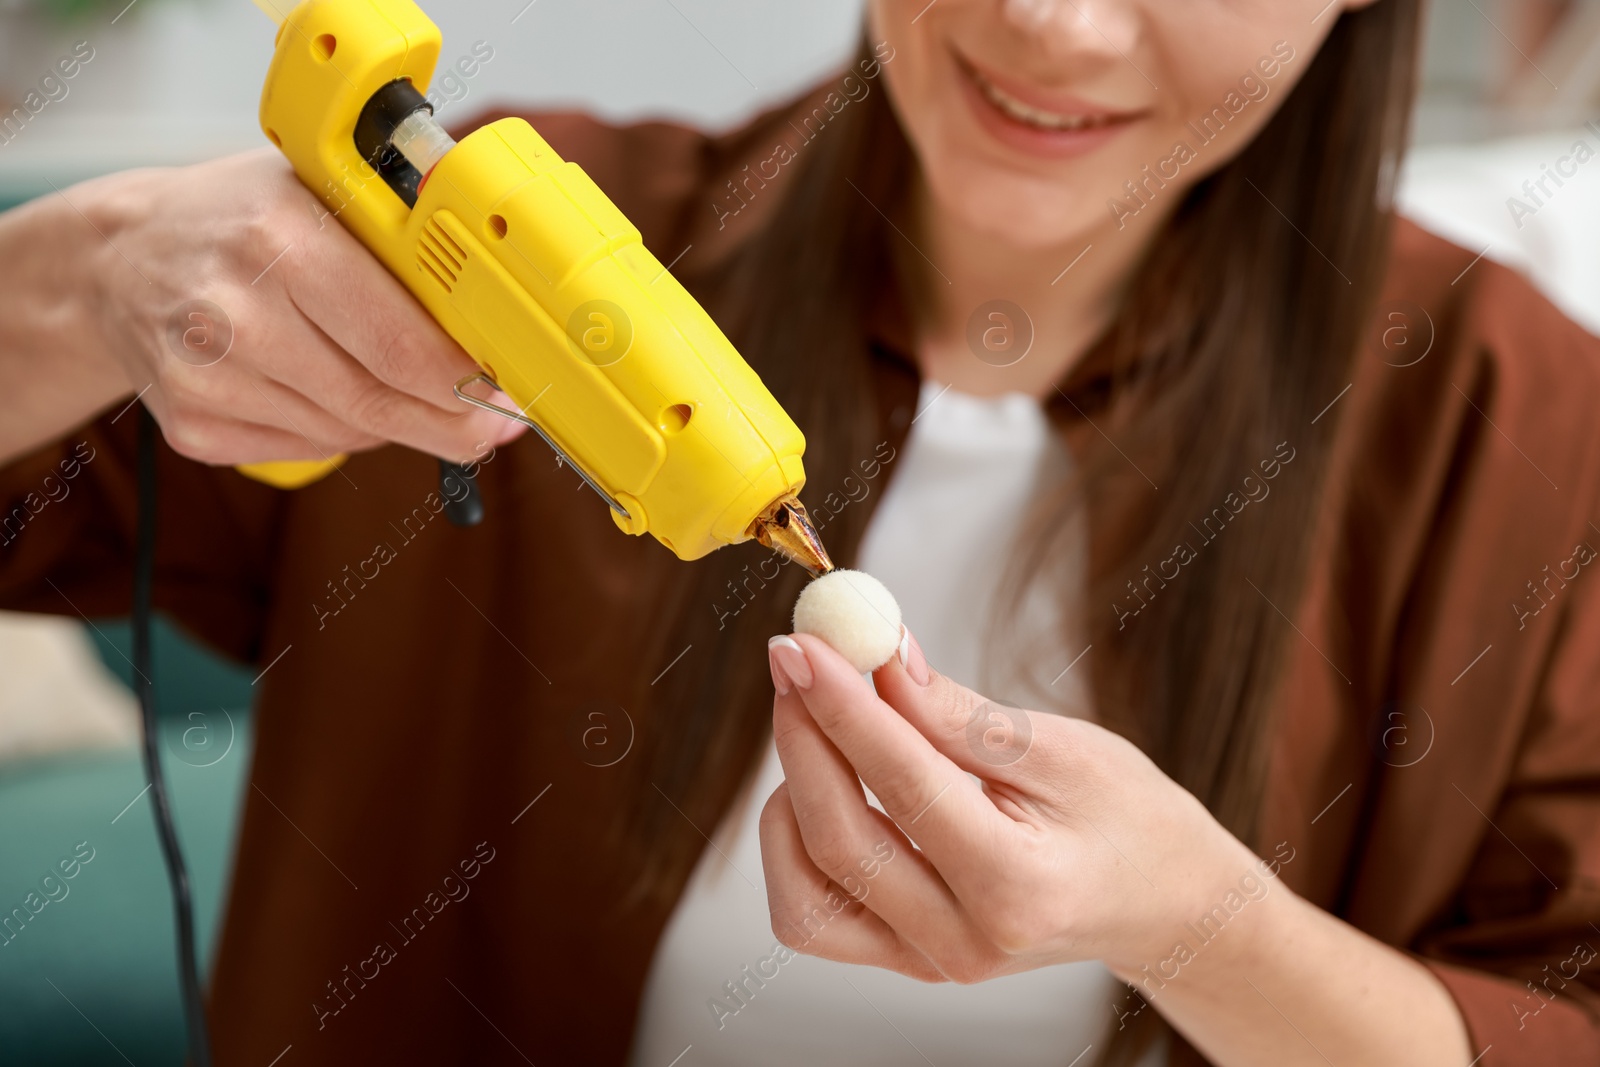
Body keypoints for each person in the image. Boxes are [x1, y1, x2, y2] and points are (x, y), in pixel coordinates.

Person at [1, 0, 1597, 1064]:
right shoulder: (491, 274)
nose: (1055, 21)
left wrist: (1199, 932)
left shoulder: (1529, 438)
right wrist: (76, 279)